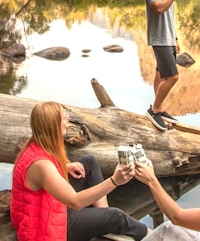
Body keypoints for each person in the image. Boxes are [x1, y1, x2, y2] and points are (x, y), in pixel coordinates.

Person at [11, 101, 150, 241]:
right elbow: (75, 202)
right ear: (53, 126)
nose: (67, 121)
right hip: (46, 227)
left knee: (89, 163)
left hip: (50, 208)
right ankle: (155, 236)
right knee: (116, 216)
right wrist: (114, 181)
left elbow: (45, 172)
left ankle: (103, 222)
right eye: (64, 118)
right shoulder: (42, 166)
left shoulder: (36, 144)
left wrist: (66, 165)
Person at [144, 0, 185, 131]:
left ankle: (159, 109)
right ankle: (153, 110)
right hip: (159, 40)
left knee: (160, 74)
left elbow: (170, 17)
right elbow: (159, 9)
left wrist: (174, 39)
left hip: (168, 39)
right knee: (173, 77)